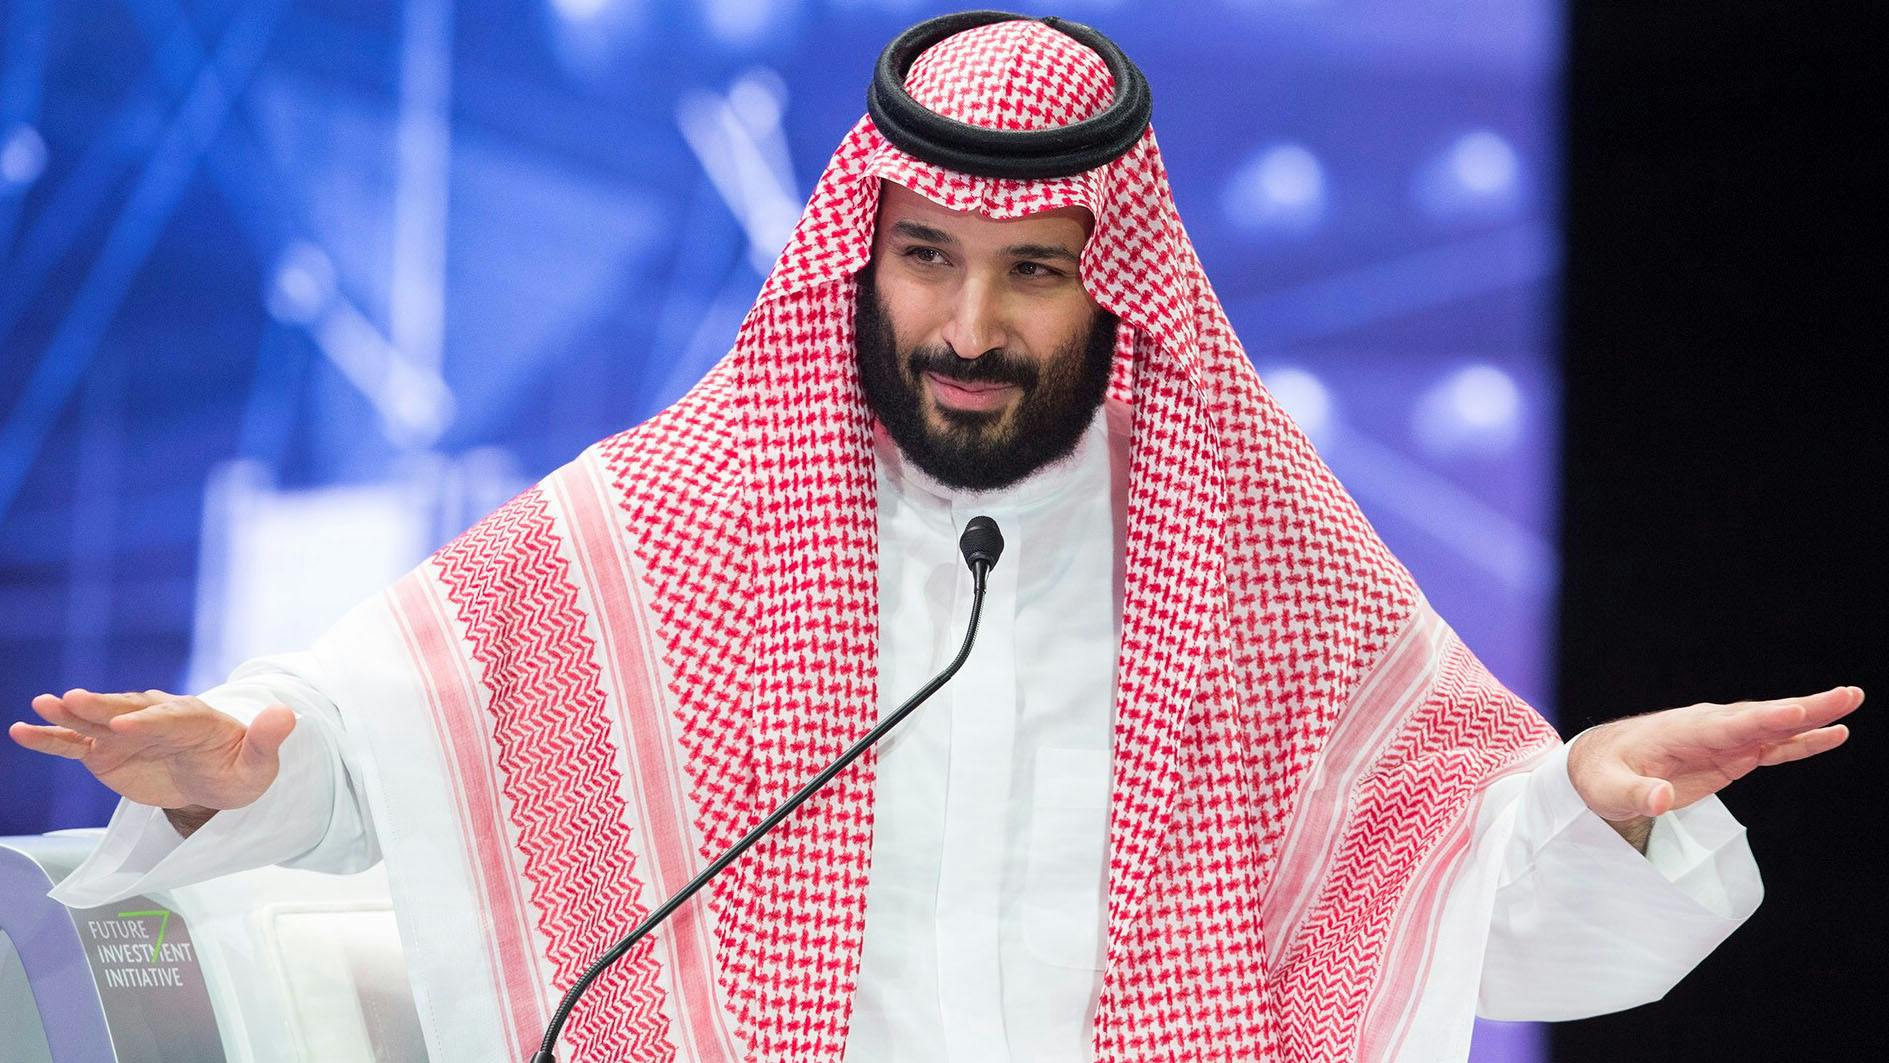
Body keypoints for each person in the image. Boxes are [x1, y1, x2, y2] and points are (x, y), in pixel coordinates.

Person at [7, 12, 1863, 1063]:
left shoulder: (1251, 565)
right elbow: (398, 738)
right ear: (865, 256)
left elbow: (1463, 903)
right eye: (925, 258)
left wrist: (1595, 808)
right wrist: (242, 762)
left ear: (1110, 284)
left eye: (1030, 272)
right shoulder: (670, 518)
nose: (966, 325)